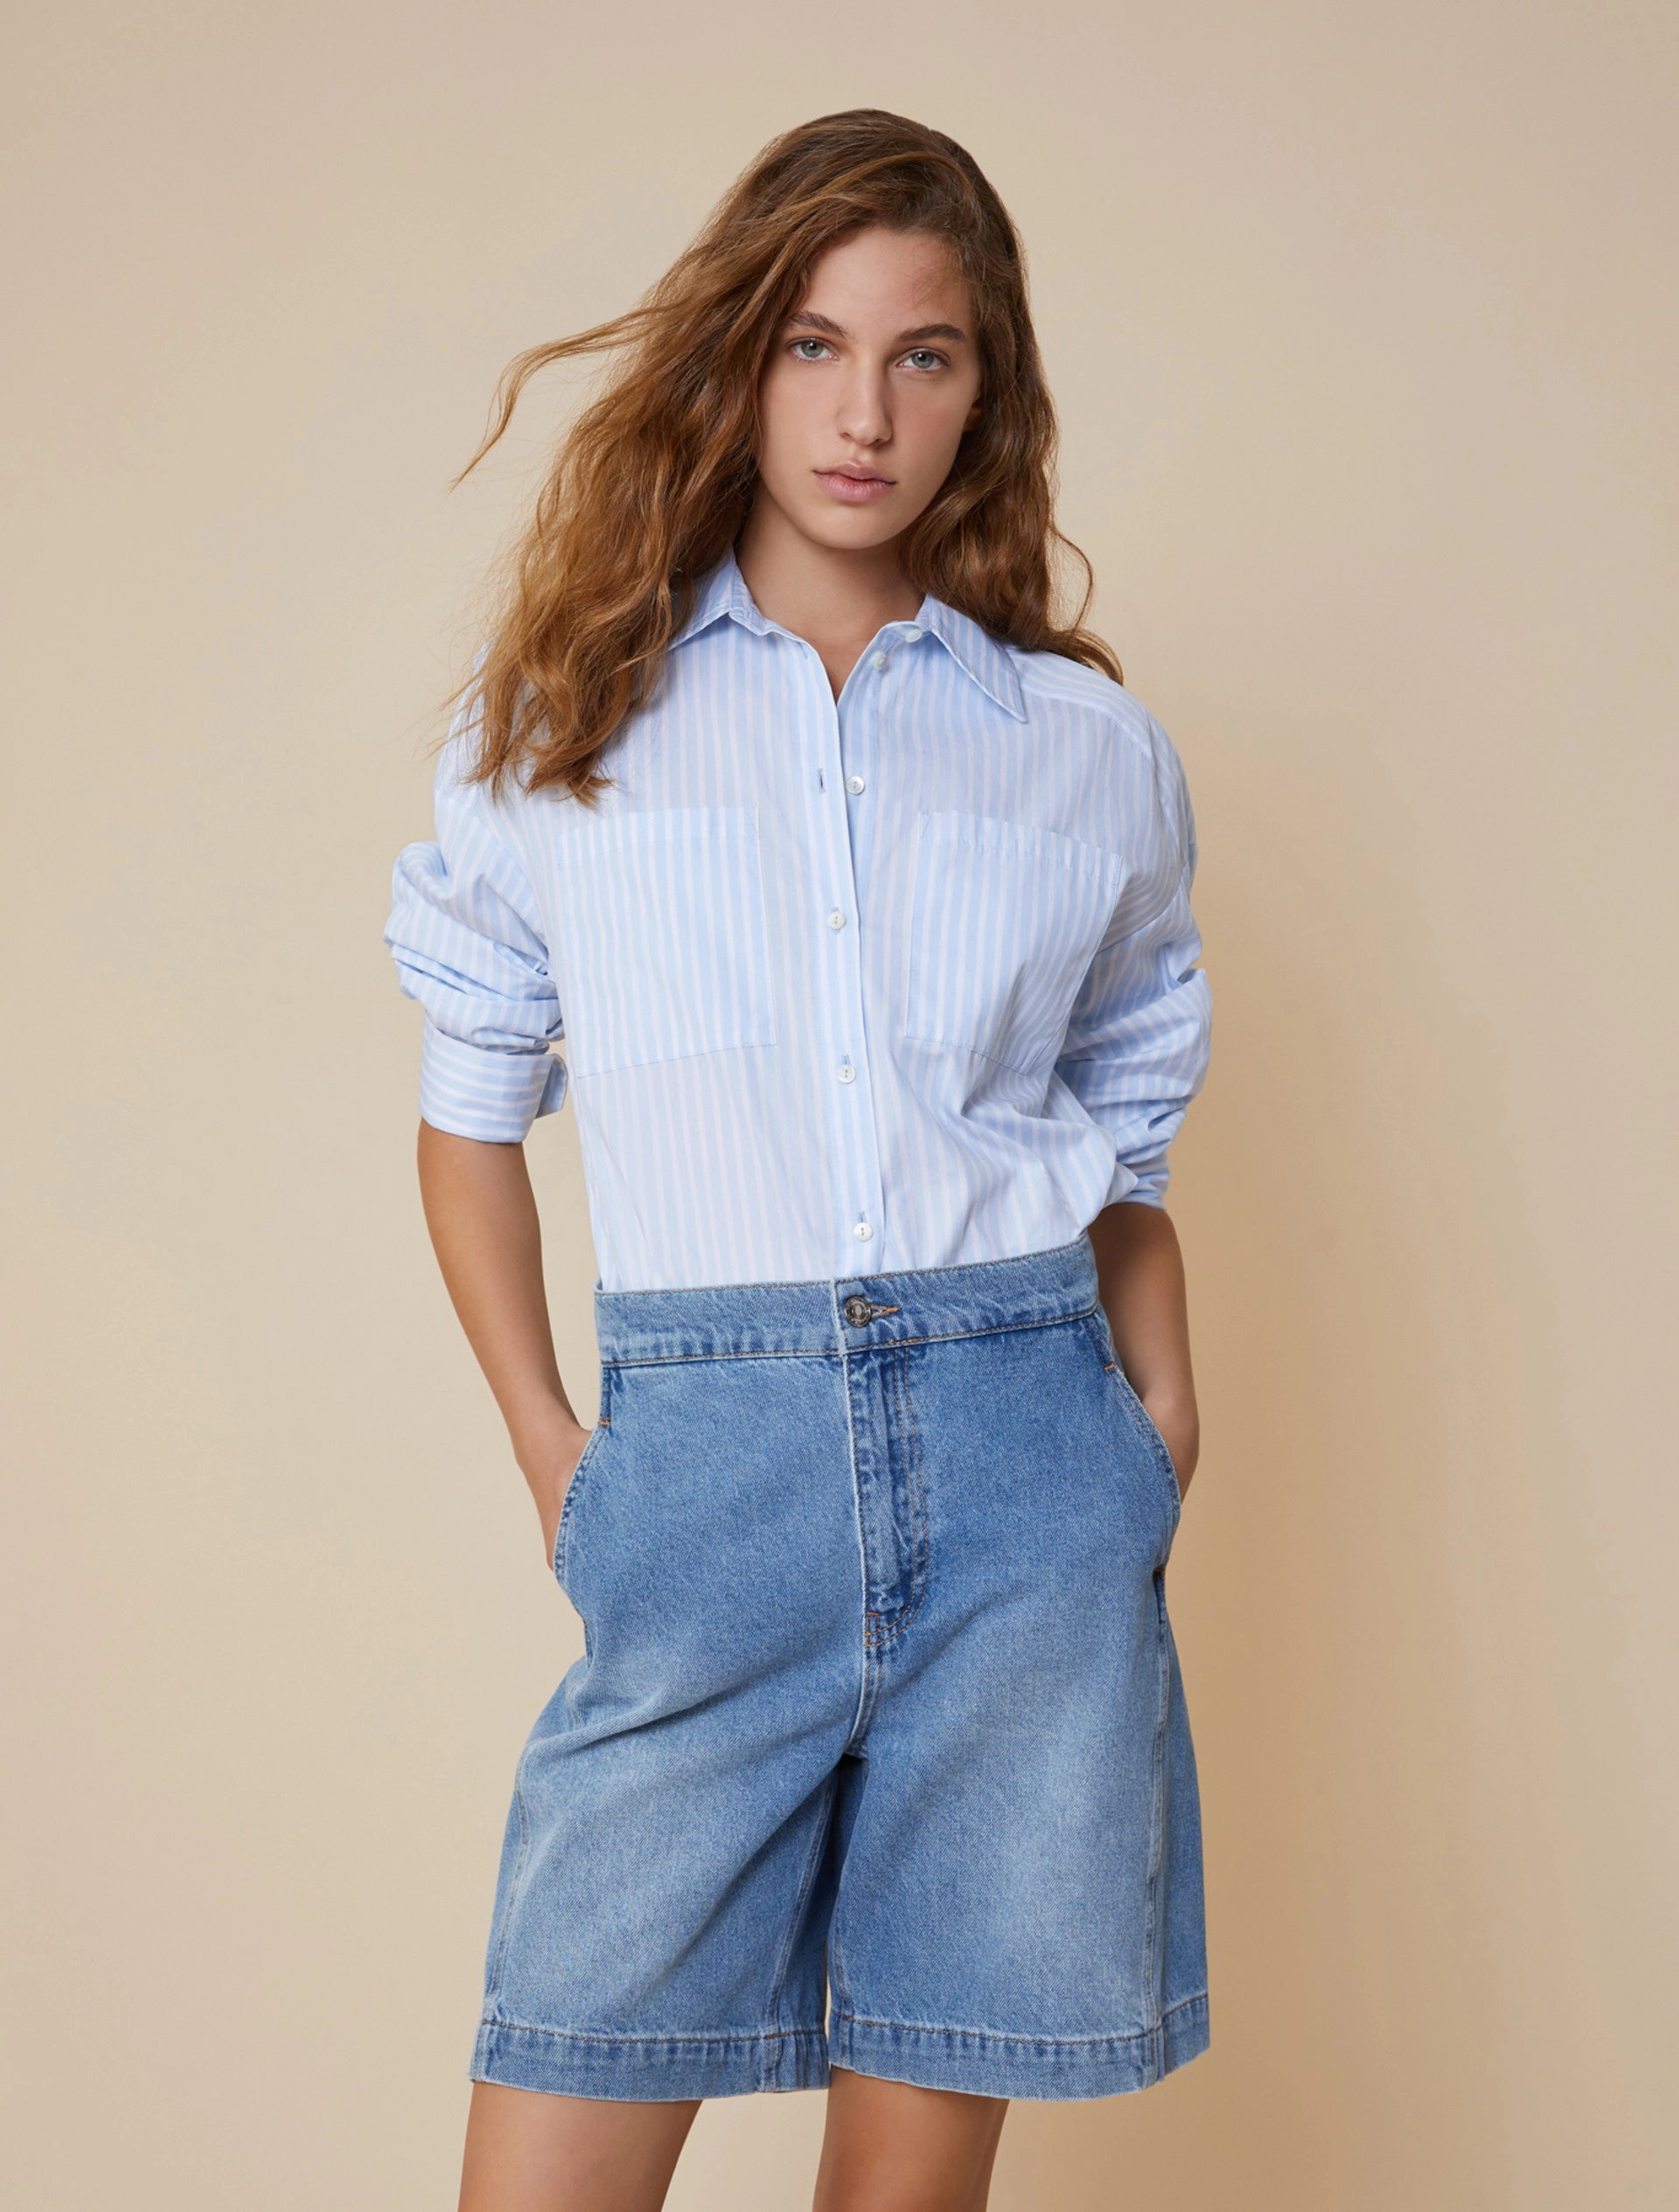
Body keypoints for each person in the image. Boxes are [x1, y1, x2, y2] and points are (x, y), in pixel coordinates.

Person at [385, 107, 1212, 2212]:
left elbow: (1121, 1131)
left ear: (985, 390)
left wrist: (1156, 1420)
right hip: (709, 1470)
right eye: (813, 348)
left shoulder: (1081, 751)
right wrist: (553, 1446)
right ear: (737, 363)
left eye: (925, 356)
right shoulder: (564, 725)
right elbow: (468, 1116)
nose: (865, 415)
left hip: (1026, 1470)